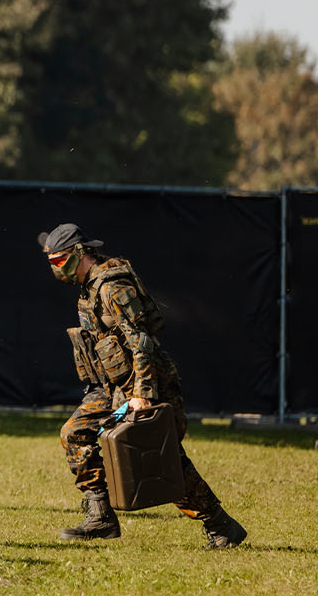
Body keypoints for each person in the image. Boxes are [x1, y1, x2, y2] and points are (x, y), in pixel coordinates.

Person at [39, 223, 246, 548]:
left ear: (80, 253)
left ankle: (221, 526)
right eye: (50, 262)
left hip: (148, 383)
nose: (56, 269)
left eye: (59, 261)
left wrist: (142, 395)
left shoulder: (112, 287)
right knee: (74, 434)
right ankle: (101, 516)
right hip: (112, 387)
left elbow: (142, 342)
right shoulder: (89, 287)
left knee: (164, 463)